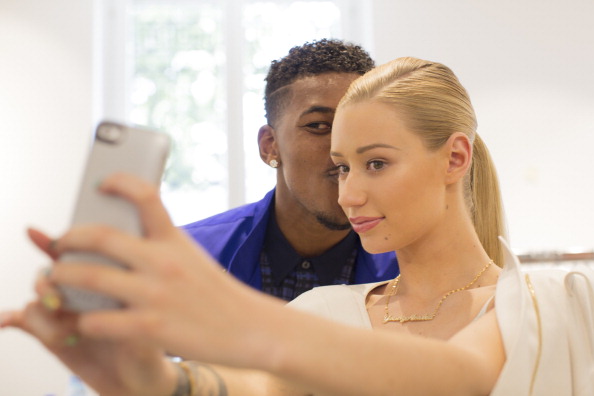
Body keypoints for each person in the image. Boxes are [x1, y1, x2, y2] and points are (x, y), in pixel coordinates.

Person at [3, 56, 593, 396]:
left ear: (455, 158)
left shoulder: (560, 302)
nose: (349, 191)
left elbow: (460, 376)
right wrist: (154, 380)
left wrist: (238, 320)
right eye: (341, 166)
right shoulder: (322, 312)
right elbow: (253, 388)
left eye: (377, 163)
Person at [181, 39, 398, 300]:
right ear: (270, 146)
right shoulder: (188, 257)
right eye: (319, 126)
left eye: (362, 125)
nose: (345, 149)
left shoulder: (409, 267)